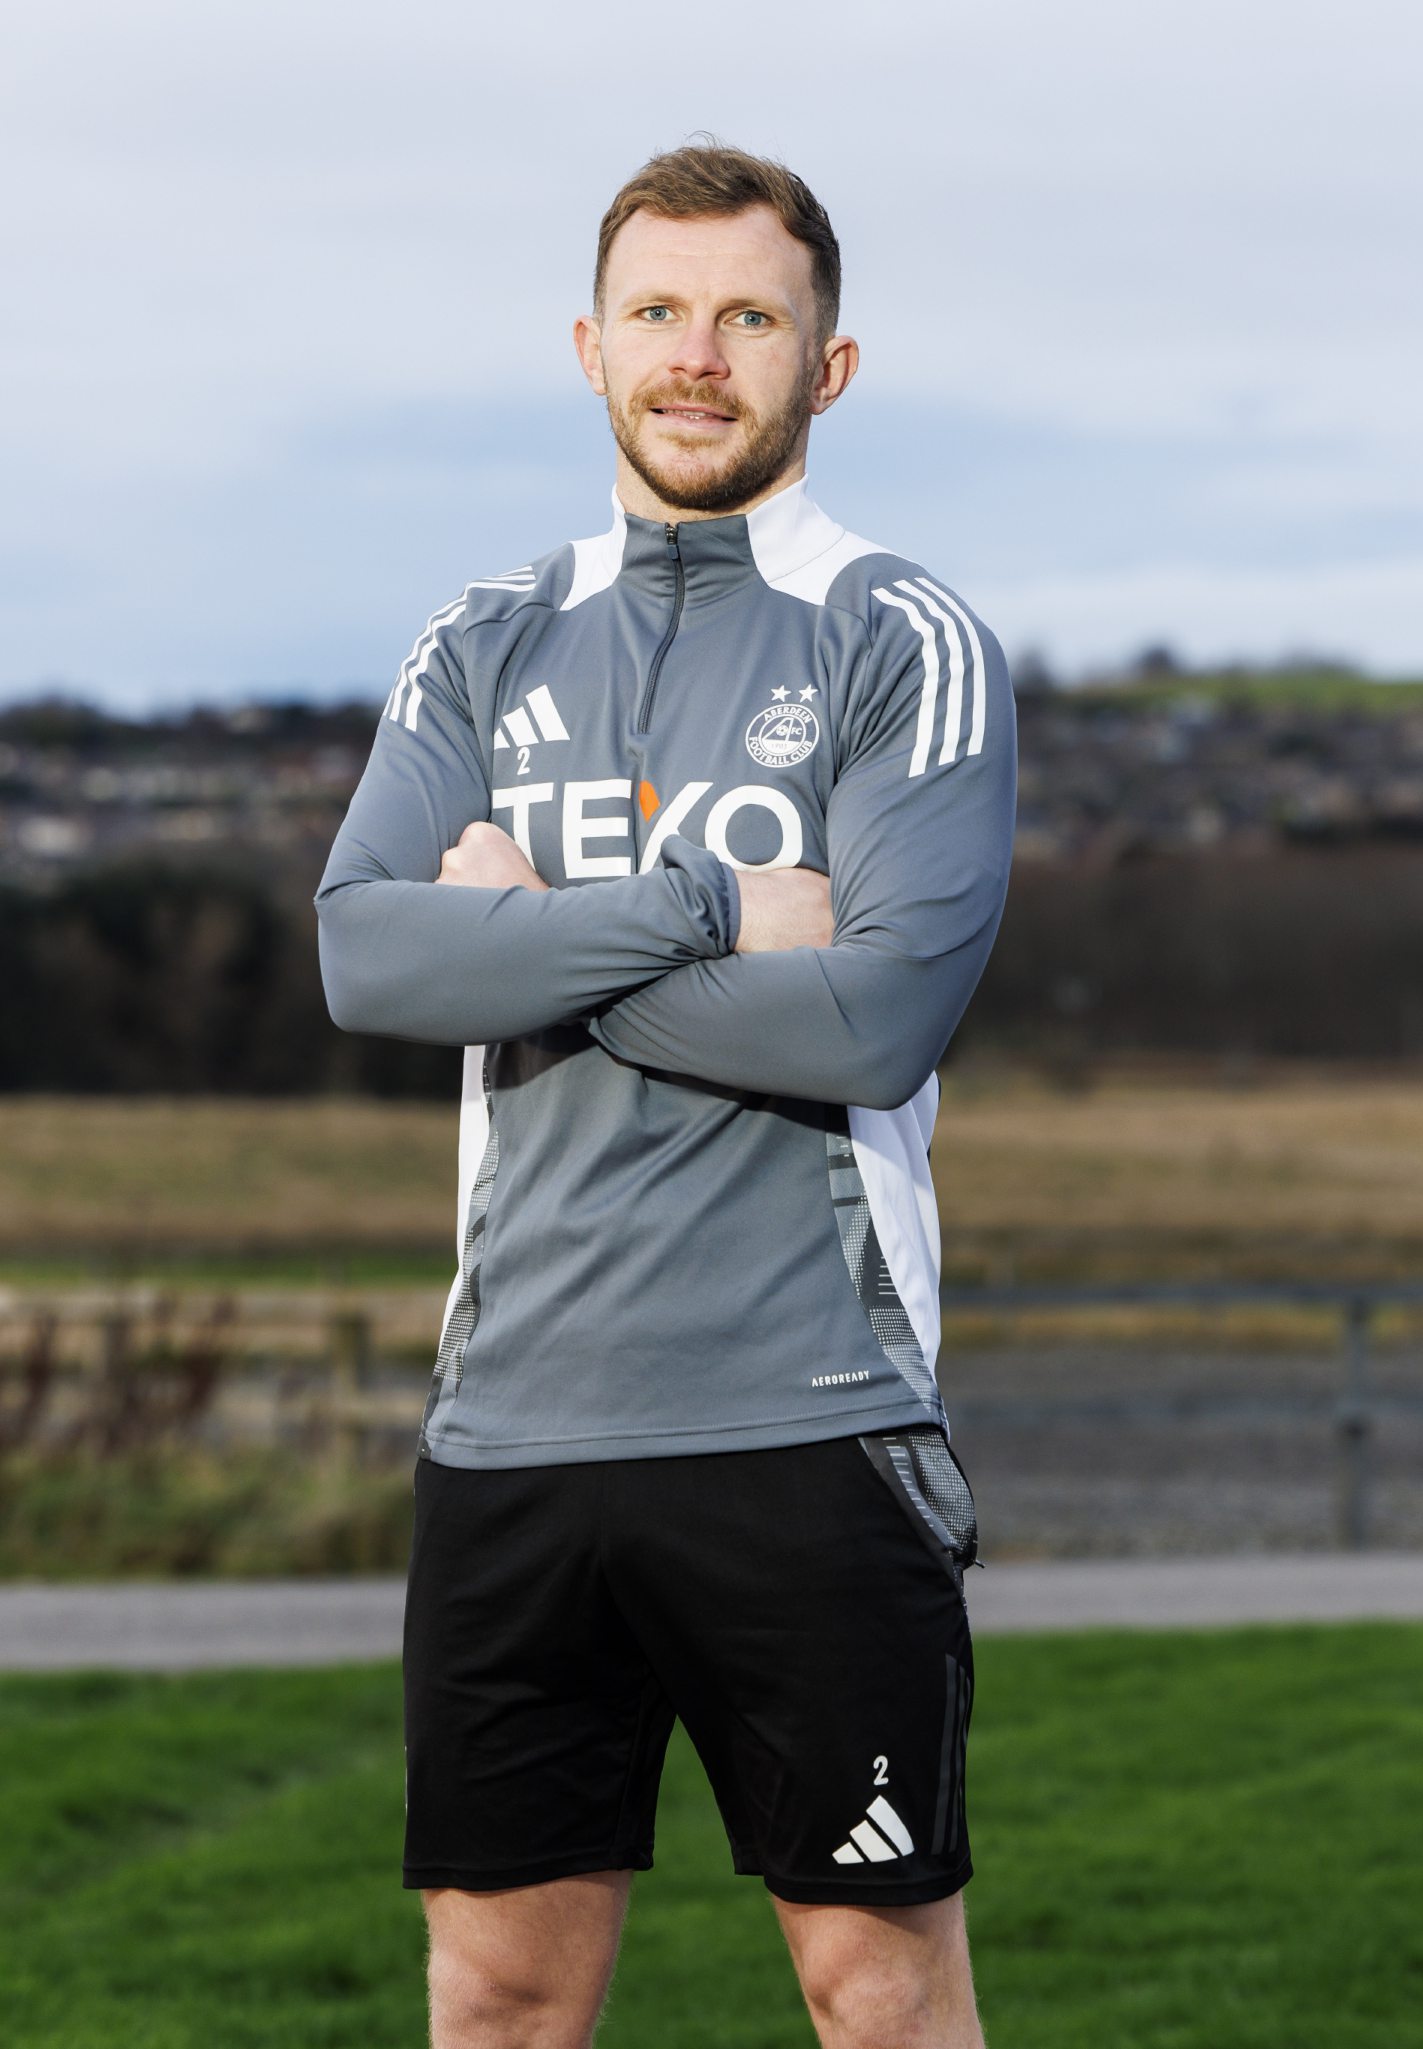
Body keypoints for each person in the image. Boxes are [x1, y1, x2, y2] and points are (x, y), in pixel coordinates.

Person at [315, 140, 1016, 2049]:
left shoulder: (905, 635)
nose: (697, 355)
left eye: (748, 316)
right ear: (589, 343)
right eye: (658, 312)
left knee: (876, 1990)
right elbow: (369, 959)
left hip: (809, 1419)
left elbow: (874, 1023)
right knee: (498, 1995)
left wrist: (536, 943)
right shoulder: (482, 634)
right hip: (513, 1426)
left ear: (828, 363)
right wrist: (704, 909)